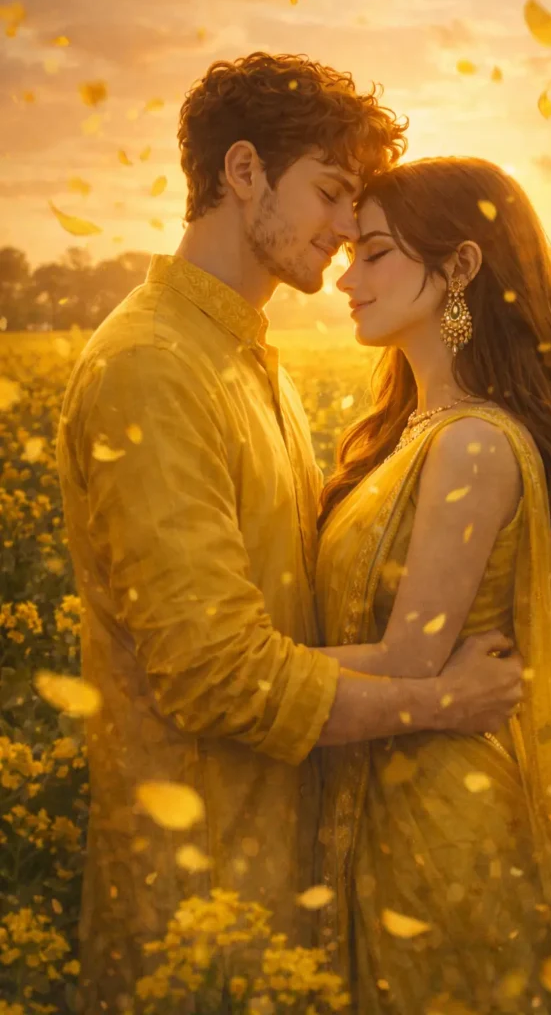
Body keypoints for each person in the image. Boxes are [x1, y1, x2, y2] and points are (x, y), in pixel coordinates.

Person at [55, 55, 523, 1014]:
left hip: (283, 882)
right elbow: (216, 675)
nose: (349, 228)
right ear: (241, 174)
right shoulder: (153, 369)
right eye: (330, 190)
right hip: (198, 898)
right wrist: (440, 701)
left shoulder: (244, 360)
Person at [313, 156, 551, 1013]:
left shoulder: (473, 443)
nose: (346, 278)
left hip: (441, 818)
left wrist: (227, 672)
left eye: (374, 253)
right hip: (388, 788)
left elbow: (412, 659)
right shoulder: (413, 431)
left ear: (459, 267)